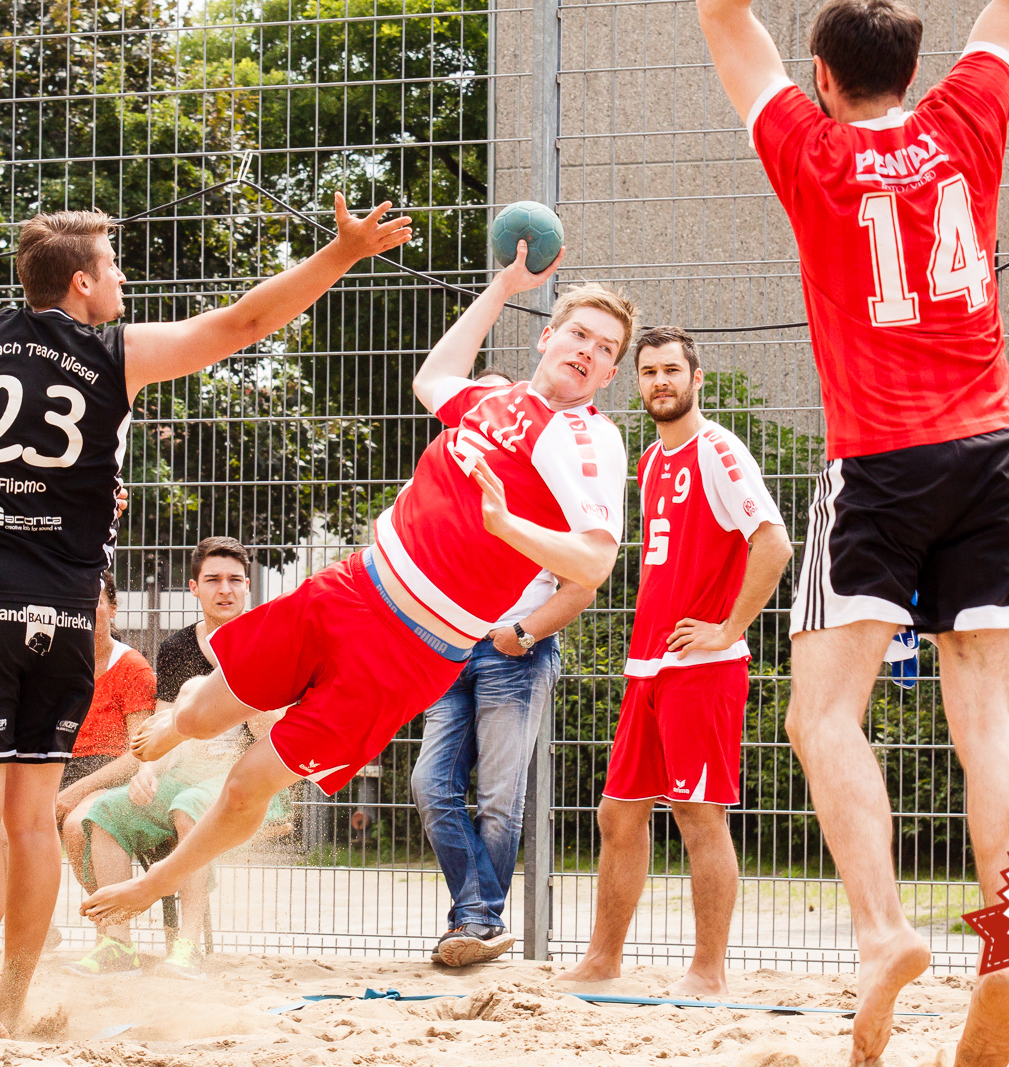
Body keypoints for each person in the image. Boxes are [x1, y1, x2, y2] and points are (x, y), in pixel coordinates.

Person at [0, 197, 413, 1039]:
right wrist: (340, 253)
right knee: (28, 817)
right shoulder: (118, 353)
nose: (122, 278)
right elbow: (245, 320)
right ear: (81, 283)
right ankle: (8, 1004)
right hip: (68, 608)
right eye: (113, 267)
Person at [79, 250, 636, 937]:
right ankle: (178, 722)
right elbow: (433, 376)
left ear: (609, 375)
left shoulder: (590, 440)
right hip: (352, 586)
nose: (588, 350)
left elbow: (595, 560)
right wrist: (500, 286)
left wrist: (506, 525)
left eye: (605, 348)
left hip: (410, 651)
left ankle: (157, 884)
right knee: (203, 714)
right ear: (547, 337)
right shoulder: (496, 400)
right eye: (579, 333)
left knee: (254, 776)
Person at [697, 0, 1009, 1060]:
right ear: (915, 62)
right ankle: (1005, 939)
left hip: (881, 460)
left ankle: (881, 928)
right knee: (986, 716)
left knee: (822, 717)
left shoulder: (810, 147)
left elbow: (720, 15)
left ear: (820, 72)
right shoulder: (968, 116)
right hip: (990, 451)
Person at [556, 327, 792, 996]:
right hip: (647, 665)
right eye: (649, 371)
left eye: (671, 370)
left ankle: (707, 972)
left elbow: (772, 542)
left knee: (698, 815)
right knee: (619, 813)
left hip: (701, 667)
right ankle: (602, 959)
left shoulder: (717, 448)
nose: (661, 380)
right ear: (637, 381)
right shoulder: (654, 461)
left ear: (696, 378)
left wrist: (728, 627)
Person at [410, 371, 596, 967]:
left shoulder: (547, 482)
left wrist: (524, 632)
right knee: (428, 785)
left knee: (497, 796)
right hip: (450, 647)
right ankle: (478, 918)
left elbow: (584, 580)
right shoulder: (453, 487)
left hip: (516, 650)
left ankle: (475, 922)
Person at [64, 721, 292, 980]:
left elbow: (279, 739)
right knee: (105, 810)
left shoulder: (264, 681)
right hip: (185, 773)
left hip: (256, 776)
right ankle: (118, 944)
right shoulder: (180, 678)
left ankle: (188, 945)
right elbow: (159, 728)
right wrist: (146, 768)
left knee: (189, 807)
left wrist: (250, 697)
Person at [52, 570, 157, 830]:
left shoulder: (132, 667)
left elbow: (139, 753)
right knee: (4, 826)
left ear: (113, 609)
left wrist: (76, 791)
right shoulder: (54, 664)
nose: (84, 609)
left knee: (80, 826)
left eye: (94, 600)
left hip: (106, 778)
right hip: (55, 771)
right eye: (76, 601)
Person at [150, 536, 254, 710]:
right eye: (213, 580)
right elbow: (162, 723)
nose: (225, 590)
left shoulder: (271, 639)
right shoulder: (176, 649)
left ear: (247, 585)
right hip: (194, 735)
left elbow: (281, 726)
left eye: (235, 580)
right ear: (194, 587)